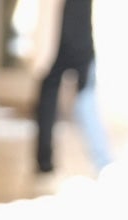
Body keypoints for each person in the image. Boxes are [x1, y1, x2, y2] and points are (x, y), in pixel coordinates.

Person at [33, 0, 112, 179]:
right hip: (66, 33)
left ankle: (44, 163)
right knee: (82, 97)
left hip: (62, 33)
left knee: (60, 97)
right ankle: (103, 161)